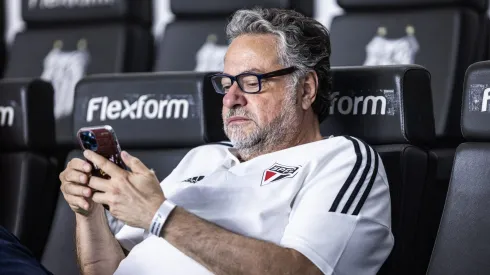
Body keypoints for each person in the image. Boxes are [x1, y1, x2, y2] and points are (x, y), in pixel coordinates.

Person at [58, 7, 394, 275]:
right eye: (226, 82)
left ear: (305, 89)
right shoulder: (202, 158)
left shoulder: (340, 159)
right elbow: (107, 268)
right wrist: (88, 214)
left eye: (250, 82)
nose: (230, 98)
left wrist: (158, 214)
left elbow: (304, 271)